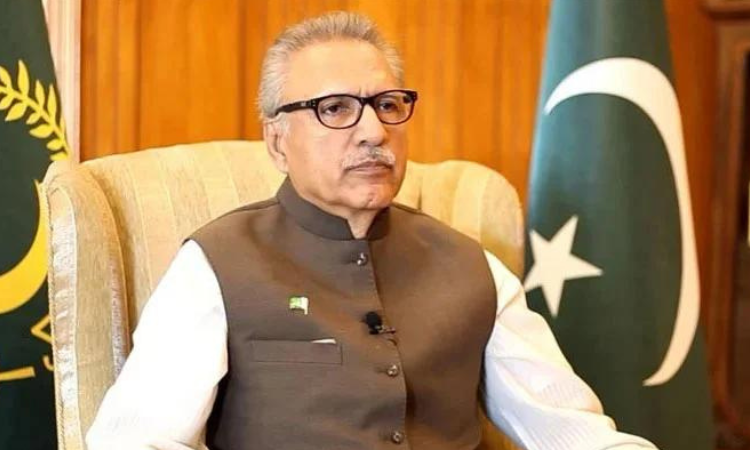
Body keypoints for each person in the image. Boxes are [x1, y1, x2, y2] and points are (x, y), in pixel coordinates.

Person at [86, 11, 659, 450]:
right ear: (277, 141)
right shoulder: (217, 265)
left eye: (387, 104)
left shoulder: (471, 267)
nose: (373, 132)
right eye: (335, 109)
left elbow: (574, 433)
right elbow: (134, 441)